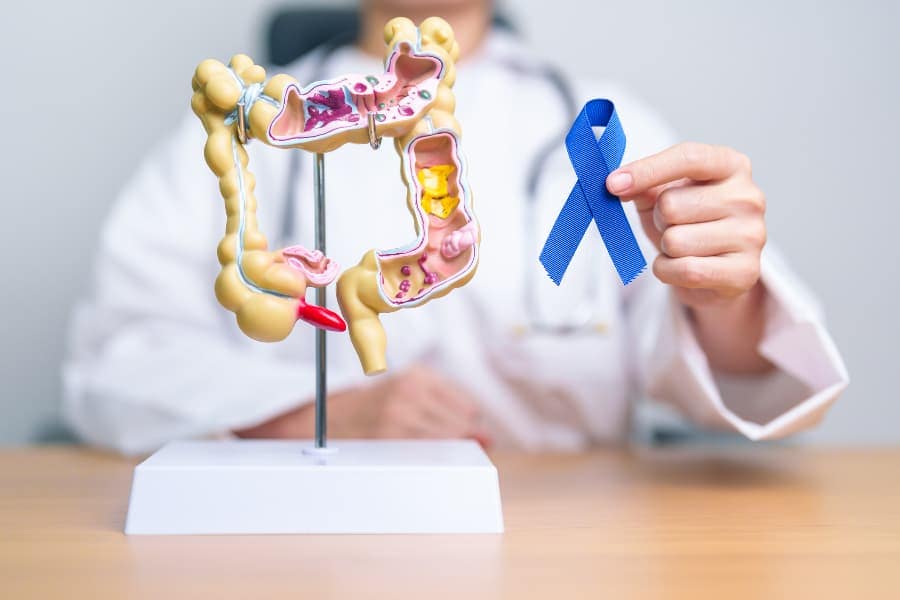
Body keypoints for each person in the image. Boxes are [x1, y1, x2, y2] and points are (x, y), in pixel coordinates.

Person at [62, 0, 848, 454]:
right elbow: (115, 361)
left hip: (555, 550)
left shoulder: (597, 129)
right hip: (305, 549)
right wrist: (318, 412)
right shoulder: (252, 125)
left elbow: (764, 375)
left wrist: (727, 293)